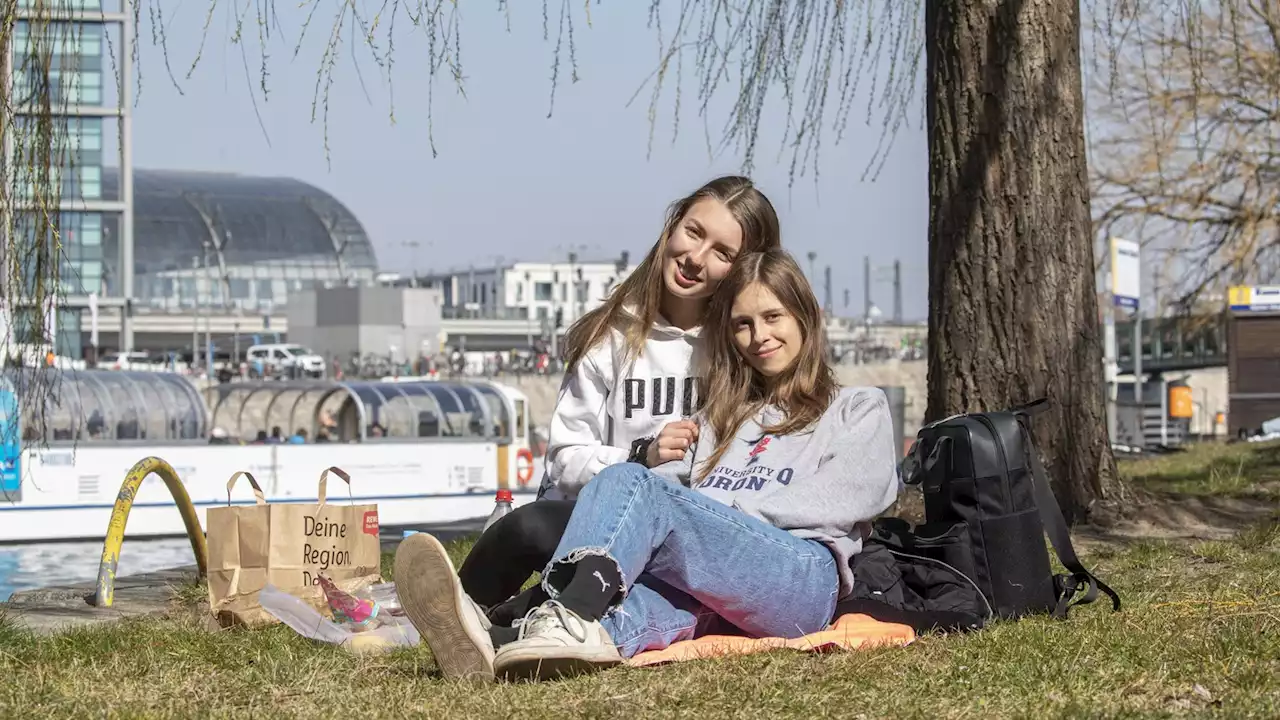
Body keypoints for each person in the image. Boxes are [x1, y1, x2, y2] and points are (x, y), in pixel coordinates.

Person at [395, 249, 901, 682]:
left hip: (802, 580)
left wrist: (714, 519)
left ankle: (555, 611)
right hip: (717, 580)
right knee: (639, 595)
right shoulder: (722, 418)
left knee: (636, 487)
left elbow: (852, 496)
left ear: (804, 318)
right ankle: (507, 643)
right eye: (743, 324)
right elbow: (655, 497)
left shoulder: (856, 407)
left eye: (773, 318)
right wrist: (684, 519)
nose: (757, 336)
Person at [456, 176, 782, 625]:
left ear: (744, 266)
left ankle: (520, 612)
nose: (695, 257)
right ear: (672, 226)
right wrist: (640, 456)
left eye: (722, 253)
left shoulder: (741, 343)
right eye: (693, 231)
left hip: (688, 537)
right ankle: (449, 609)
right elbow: (565, 462)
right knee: (527, 527)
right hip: (595, 521)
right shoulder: (608, 336)